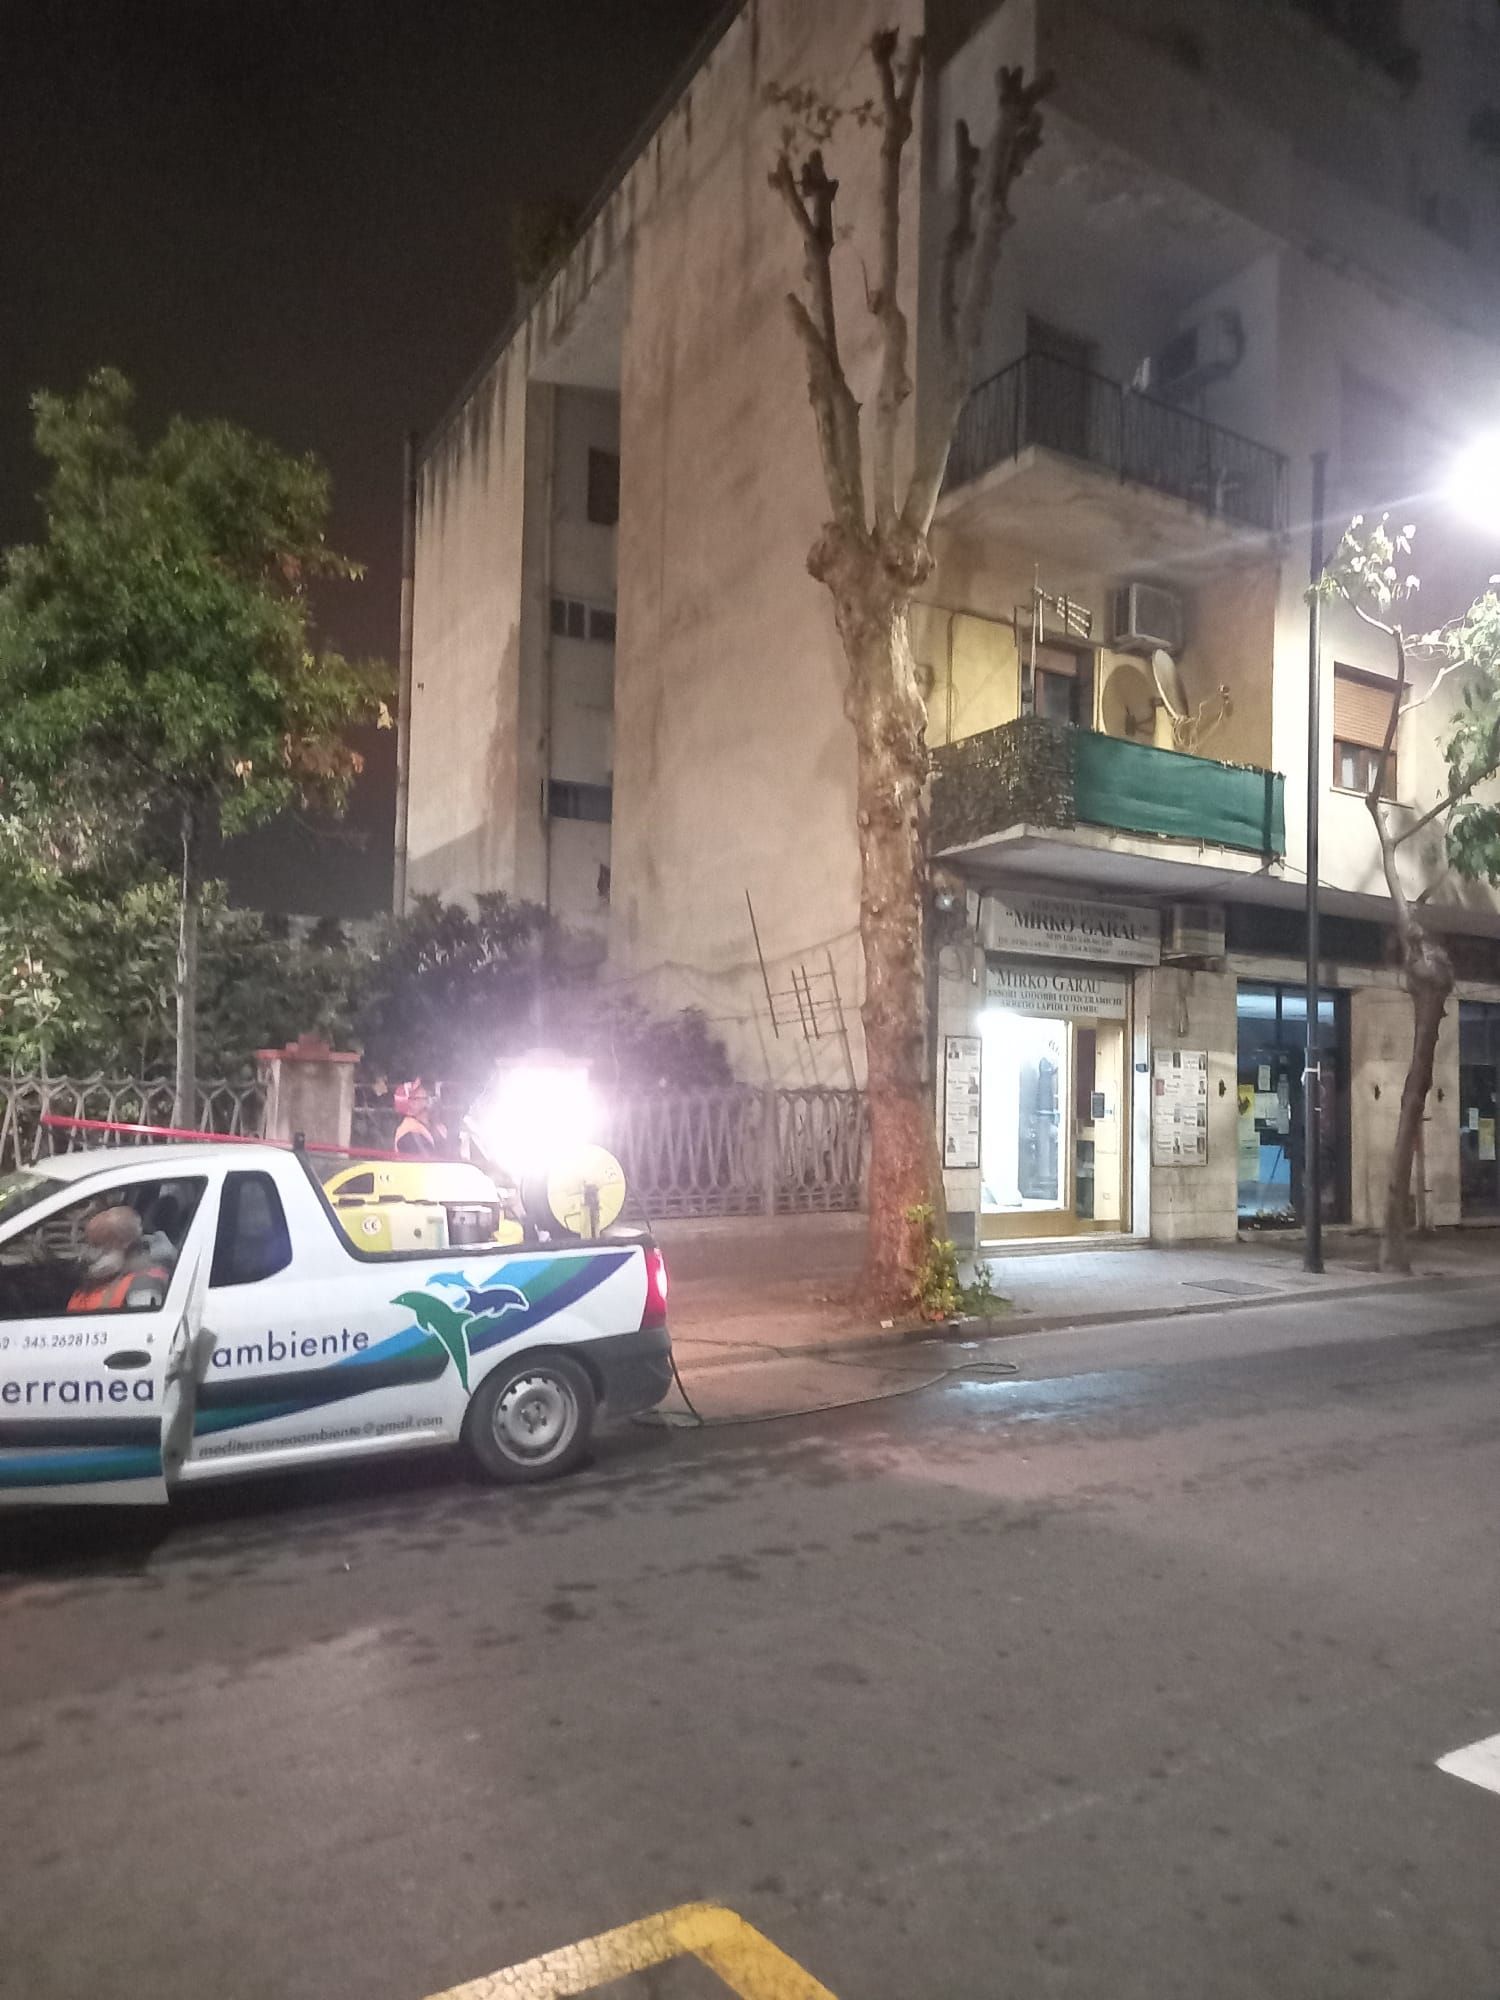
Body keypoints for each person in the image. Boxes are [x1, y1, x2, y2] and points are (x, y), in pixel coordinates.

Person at [67, 1207, 171, 1313]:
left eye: (99, 1246)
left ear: (125, 1244)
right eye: (89, 1245)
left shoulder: (143, 1284)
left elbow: (143, 1321)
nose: (85, 1255)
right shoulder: (101, 1279)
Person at [393, 1080, 447, 1158]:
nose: (426, 1093)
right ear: (410, 1104)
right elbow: (430, 1161)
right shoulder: (409, 1134)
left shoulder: (436, 1125)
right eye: (416, 1095)